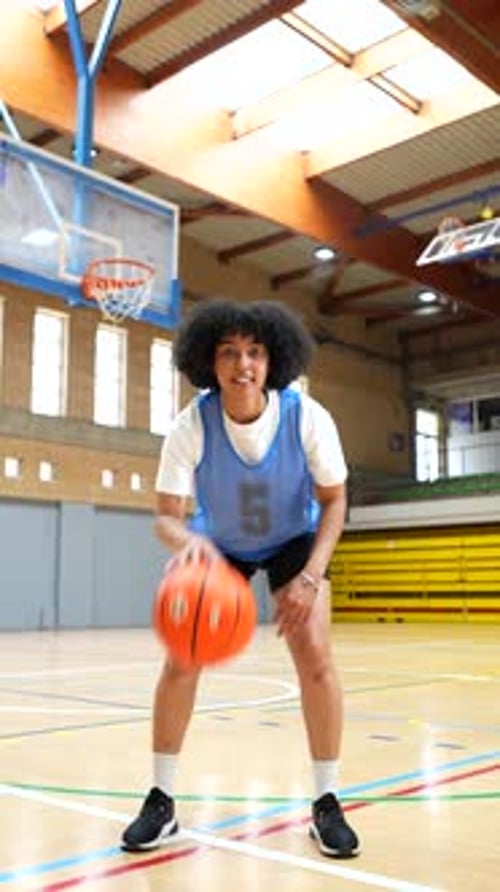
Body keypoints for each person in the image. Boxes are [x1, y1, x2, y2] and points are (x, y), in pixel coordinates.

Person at [121, 298, 359, 859]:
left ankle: (326, 803)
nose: (242, 364)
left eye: (254, 352)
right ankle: (161, 801)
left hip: (294, 541)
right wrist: (193, 550)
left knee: (316, 656)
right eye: (229, 353)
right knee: (182, 659)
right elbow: (165, 517)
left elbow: (335, 499)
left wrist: (311, 576)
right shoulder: (192, 423)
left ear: (273, 361)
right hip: (219, 543)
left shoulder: (307, 417)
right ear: (210, 362)